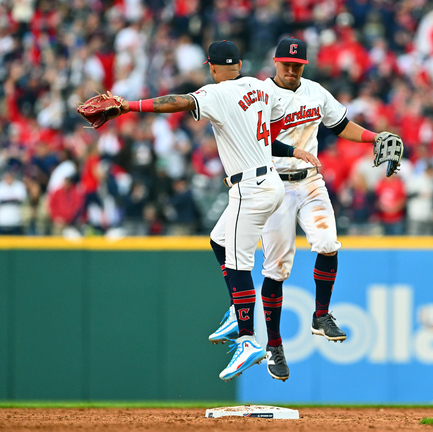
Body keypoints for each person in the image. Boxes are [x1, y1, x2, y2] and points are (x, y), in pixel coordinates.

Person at [103, 40, 320, 381]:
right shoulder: (257, 87)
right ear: (239, 64)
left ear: (212, 66)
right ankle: (238, 309)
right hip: (269, 182)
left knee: (238, 265)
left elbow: (176, 101)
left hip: (251, 188)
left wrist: (128, 105)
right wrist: (294, 149)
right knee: (219, 242)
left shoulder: (216, 93)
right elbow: (262, 136)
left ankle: (248, 340)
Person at [207, 37, 403, 382]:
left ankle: (321, 315)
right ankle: (275, 347)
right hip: (272, 184)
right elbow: (256, 139)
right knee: (276, 269)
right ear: (275, 62)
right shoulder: (259, 95)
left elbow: (340, 126)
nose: (292, 70)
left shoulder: (315, 91)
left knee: (328, 244)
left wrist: (374, 137)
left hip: (310, 181)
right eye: (286, 64)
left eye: (297, 65)